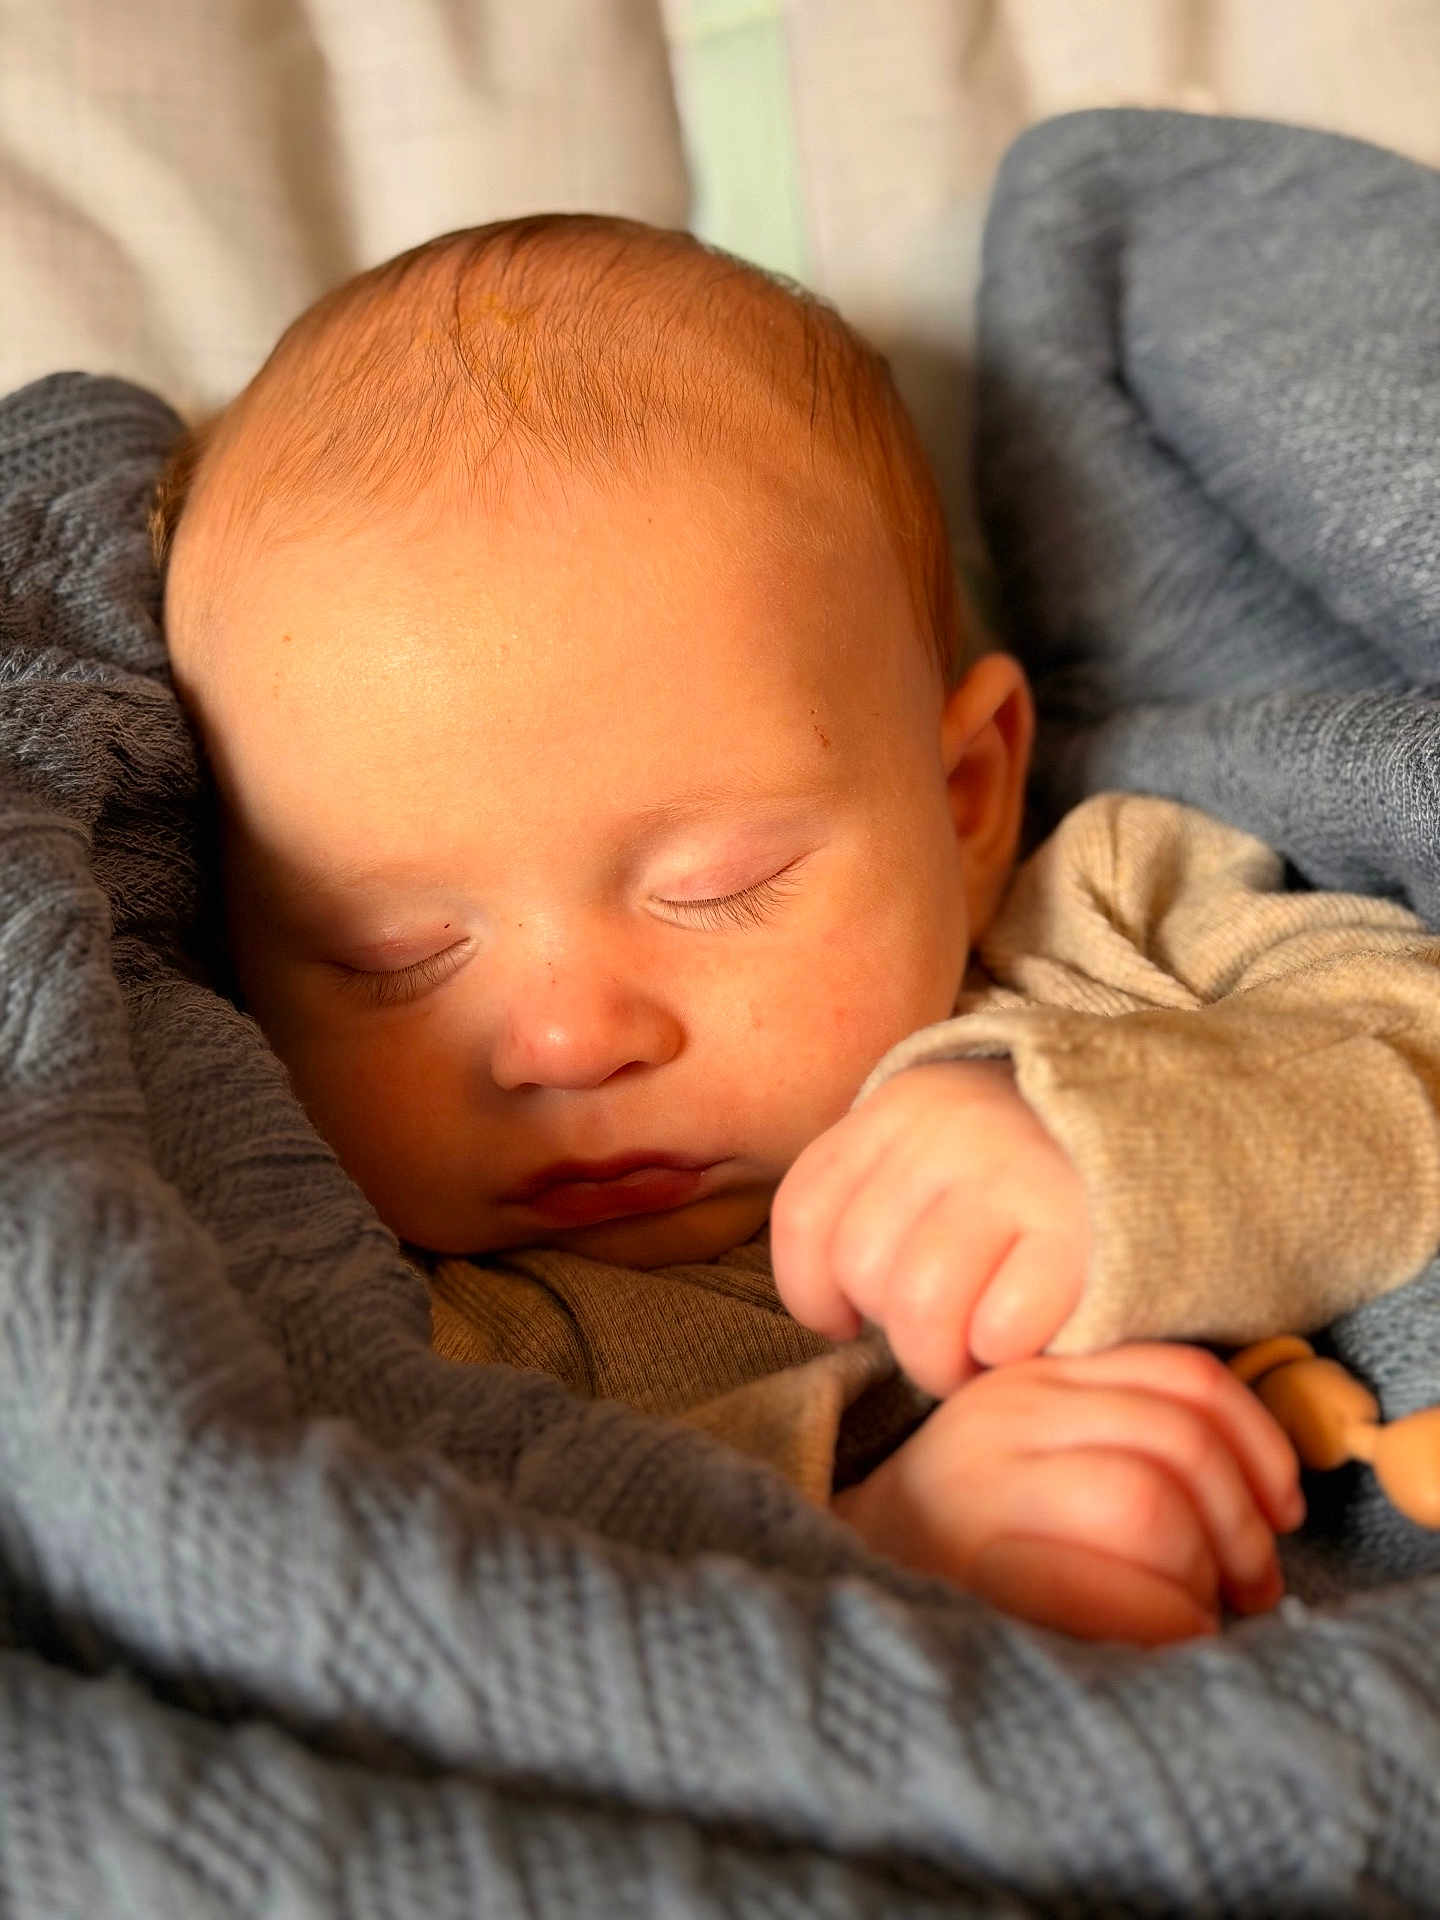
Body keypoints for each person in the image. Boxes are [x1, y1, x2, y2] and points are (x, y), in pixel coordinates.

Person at [153, 213, 1440, 1645]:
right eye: (395, 959)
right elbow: (403, 1620)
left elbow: (1412, 1045)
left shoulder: (1104, 927)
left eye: (713, 882)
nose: (567, 1041)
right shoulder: (383, 1327)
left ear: (964, 800)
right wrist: (879, 1548)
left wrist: (1120, 1145)